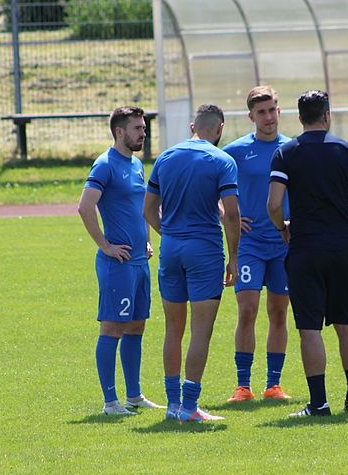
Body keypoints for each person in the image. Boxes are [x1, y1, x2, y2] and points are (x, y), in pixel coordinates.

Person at [268, 90, 348, 417]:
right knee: (347, 324)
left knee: (310, 328)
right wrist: (347, 215)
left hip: (305, 247)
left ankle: (319, 402)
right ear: (327, 115)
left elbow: (273, 204)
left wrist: (282, 227)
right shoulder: (345, 150)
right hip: (342, 246)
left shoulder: (286, 153)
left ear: (300, 118)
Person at [143, 104, 241, 422]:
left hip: (171, 250)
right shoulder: (222, 160)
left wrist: (169, 234)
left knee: (173, 329)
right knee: (201, 331)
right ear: (219, 129)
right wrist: (235, 257)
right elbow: (232, 214)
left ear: (192, 127)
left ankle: (172, 405)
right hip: (205, 252)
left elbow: (148, 209)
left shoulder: (165, 157)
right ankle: (189, 407)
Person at [77, 106, 165, 416]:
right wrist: (106, 246)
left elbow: (141, 207)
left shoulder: (137, 165)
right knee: (112, 327)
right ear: (119, 131)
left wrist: (147, 240)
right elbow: (84, 207)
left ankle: (134, 396)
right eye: (137, 128)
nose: (143, 133)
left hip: (139, 261)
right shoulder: (105, 165)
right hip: (118, 264)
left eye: (144, 128)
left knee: (136, 326)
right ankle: (110, 402)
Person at [221, 86, 293, 403]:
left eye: (272, 110)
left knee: (278, 312)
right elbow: (211, 185)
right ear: (251, 116)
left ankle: (273, 385)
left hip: (284, 244)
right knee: (247, 310)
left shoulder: (292, 149)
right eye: (261, 112)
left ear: (279, 111)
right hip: (249, 245)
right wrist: (227, 214)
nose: (268, 117)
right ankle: (243, 386)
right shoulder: (235, 151)